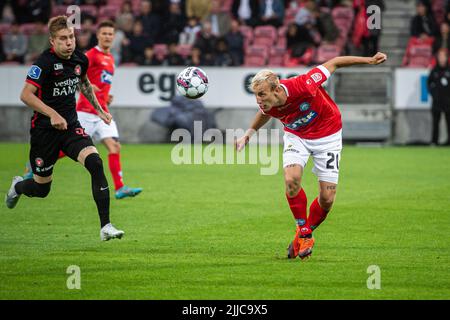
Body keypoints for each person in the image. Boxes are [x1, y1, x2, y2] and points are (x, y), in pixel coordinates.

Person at [236, 52, 387, 260]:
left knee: (327, 199)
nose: (258, 100)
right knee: (292, 180)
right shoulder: (267, 104)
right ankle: (305, 233)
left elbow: (334, 63)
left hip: (328, 136)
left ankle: (302, 234)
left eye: (261, 94)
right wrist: (248, 134)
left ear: (277, 89)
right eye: (256, 95)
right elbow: (264, 114)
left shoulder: (304, 84)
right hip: (297, 136)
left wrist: (369, 60)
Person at [5, 15, 124, 241]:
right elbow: (25, 95)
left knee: (95, 163)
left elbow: (85, 84)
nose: (69, 42)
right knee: (41, 190)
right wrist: (51, 114)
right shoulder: (43, 64)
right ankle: (18, 187)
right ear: (53, 41)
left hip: (70, 128)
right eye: (63, 39)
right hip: (44, 133)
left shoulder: (79, 59)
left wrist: (99, 110)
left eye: (71, 37)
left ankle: (106, 226)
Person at [427, 48, 450, 146]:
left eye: (443, 56)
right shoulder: (434, 71)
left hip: (448, 102)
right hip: (436, 102)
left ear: (446, 58)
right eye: (440, 56)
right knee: (435, 123)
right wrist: (433, 94)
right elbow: (428, 84)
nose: (441, 59)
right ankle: (434, 141)